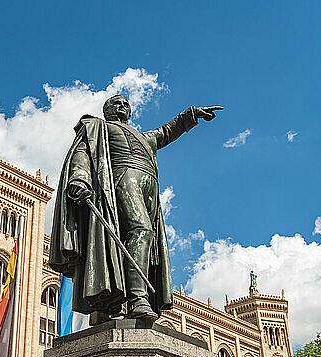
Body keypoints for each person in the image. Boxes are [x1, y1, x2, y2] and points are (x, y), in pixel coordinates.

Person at [49, 94, 222, 323]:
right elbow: (82, 152)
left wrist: (190, 115)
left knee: (144, 241)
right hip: (120, 180)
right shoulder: (98, 128)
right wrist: (80, 178)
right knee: (141, 230)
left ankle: (116, 302)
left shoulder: (144, 137)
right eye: (115, 103)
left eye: (125, 104)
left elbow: (166, 132)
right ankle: (137, 297)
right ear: (106, 110)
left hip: (148, 188)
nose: (121, 106)